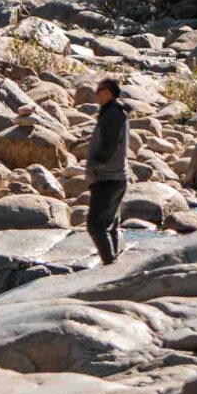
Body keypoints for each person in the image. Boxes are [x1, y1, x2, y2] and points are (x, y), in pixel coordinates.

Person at [86, 77, 131, 263]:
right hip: (115, 177)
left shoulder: (113, 115)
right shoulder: (112, 112)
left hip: (107, 178)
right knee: (110, 224)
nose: (96, 94)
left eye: (99, 90)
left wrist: (96, 164)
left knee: (95, 225)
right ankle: (114, 262)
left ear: (108, 93)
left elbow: (109, 146)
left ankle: (109, 264)